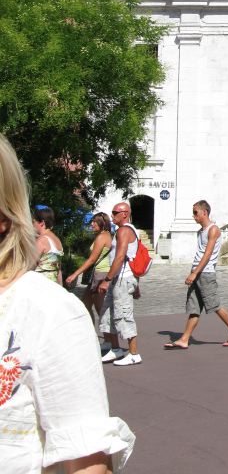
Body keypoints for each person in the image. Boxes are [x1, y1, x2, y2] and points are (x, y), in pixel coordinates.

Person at [0, 132, 134, 473]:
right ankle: (115, 345)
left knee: (110, 316)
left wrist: (99, 277)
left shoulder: (112, 235)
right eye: (112, 212)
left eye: (116, 211)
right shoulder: (62, 240)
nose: (112, 216)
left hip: (93, 280)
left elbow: (106, 258)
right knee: (103, 316)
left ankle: (124, 348)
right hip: (68, 281)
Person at [164, 199, 228, 349]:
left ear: (204, 212)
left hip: (205, 274)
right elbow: (200, 253)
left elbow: (207, 254)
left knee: (215, 305)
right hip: (197, 272)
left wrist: (195, 273)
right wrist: (193, 272)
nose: (193, 216)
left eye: (196, 213)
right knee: (194, 308)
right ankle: (184, 339)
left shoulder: (213, 230)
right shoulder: (201, 231)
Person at [97, 202, 142, 366]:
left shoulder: (124, 231)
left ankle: (134, 353)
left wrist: (107, 280)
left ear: (125, 214)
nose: (112, 215)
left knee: (124, 315)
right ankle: (115, 349)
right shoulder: (123, 230)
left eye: (115, 212)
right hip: (120, 278)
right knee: (108, 313)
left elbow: (121, 256)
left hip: (122, 278)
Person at [65, 212, 113, 322]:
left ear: (102, 223)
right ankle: (93, 329)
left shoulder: (102, 237)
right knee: (85, 304)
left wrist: (75, 274)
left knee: (99, 307)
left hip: (101, 274)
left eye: (94, 222)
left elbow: (92, 260)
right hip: (99, 273)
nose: (92, 224)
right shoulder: (106, 235)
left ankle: (108, 331)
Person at [33, 205, 64, 284]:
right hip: (52, 285)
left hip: (40, 284)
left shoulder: (42, 240)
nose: (33, 225)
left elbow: (30, 266)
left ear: (42, 223)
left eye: (34, 222)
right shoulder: (57, 240)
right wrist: (60, 287)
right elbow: (58, 270)